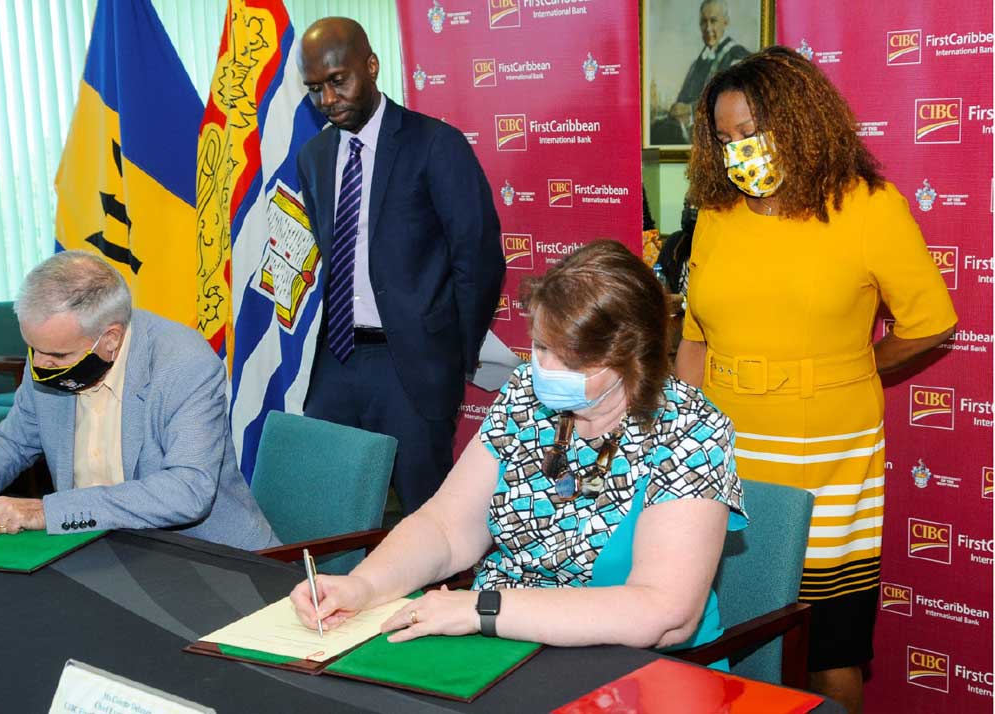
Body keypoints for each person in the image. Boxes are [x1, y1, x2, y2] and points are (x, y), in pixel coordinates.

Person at [290, 241, 747, 655]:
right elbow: (447, 527)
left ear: (632, 357)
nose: (544, 368)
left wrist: (482, 610)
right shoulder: (527, 395)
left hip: (636, 666)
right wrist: (364, 587)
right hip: (506, 644)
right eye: (541, 347)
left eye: (567, 359)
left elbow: (662, 612)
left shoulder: (690, 431)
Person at [676, 46, 956, 713]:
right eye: (725, 138)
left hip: (828, 457)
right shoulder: (717, 213)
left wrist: (854, 369)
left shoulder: (865, 205)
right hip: (728, 455)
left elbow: (931, 322)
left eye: (751, 132)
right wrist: (683, 438)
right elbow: (694, 337)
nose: (738, 150)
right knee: (731, 633)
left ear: (798, 122)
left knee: (828, 647)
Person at [0, 252, 279, 551]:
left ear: (110, 339)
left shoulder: (184, 365)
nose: (40, 365)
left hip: (202, 557)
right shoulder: (50, 354)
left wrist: (47, 511)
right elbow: (15, 438)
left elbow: (187, 491)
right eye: (34, 349)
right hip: (97, 549)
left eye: (57, 355)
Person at [295, 17, 505, 515]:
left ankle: (437, 596)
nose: (327, 100)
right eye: (315, 89)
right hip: (336, 360)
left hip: (411, 363)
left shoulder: (434, 144)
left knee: (425, 514)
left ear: (371, 66)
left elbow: (477, 259)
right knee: (328, 510)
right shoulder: (314, 156)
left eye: (338, 80)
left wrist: (452, 354)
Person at [666, 0, 751, 139]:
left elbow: (737, 109)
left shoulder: (738, 58)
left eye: (713, 21)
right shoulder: (696, 65)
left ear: (726, 22)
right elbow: (682, 98)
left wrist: (690, 111)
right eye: (703, 22)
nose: (708, 28)